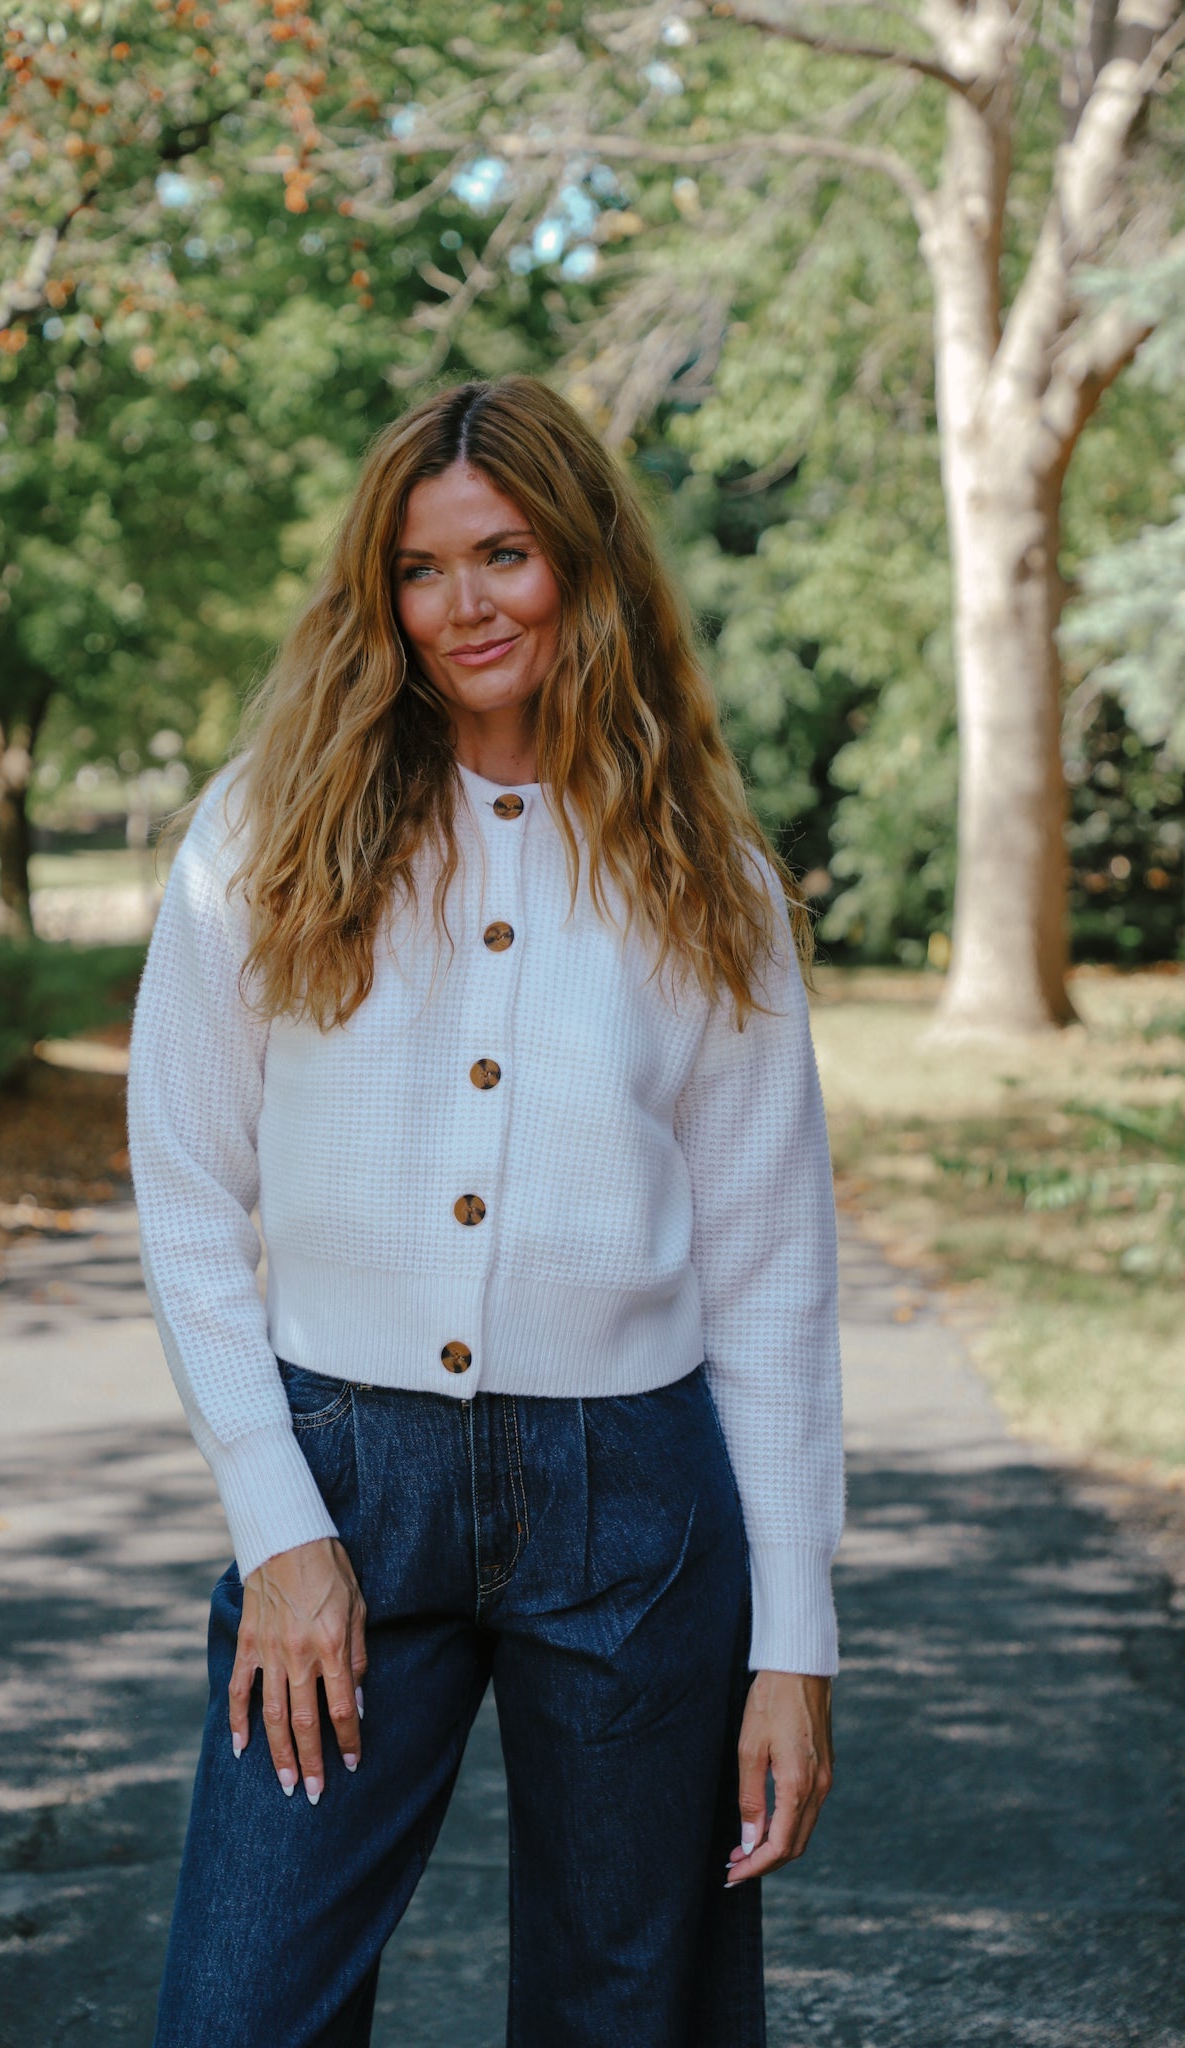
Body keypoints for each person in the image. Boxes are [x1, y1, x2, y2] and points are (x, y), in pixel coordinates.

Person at [127, 374, 843, 2048]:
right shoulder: (267, 829)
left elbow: (770, 1271)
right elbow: (179, 1192)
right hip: (345, 1484)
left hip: (637, 1513)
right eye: (421, 569)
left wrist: (792, 1644)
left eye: (503, 554)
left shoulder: (703, 873)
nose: (464, 607)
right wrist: (279, 1529)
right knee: (241, 2009)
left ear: (581, 564)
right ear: (378, 595)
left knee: (630, 2010)